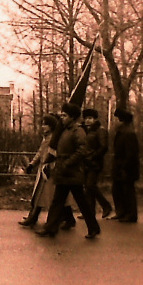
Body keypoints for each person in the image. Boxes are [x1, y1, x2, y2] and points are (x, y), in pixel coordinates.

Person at [35, 102, 101, 239]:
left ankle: (93, 227)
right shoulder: (64, 130)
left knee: (80, 202)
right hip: (64, 171)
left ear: (72, 117)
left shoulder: (78, 131)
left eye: (65, 115)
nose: (62, 117)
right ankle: (50, 227)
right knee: (57, 201)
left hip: (73, 172)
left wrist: (67, 163)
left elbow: (82, 150)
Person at [21, 114, 75, 230]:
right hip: (46, 169)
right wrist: (32, 164)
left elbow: (46, 154)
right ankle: (67, 218)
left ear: (51, 126)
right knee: (49, 196)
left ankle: (36, 218)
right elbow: (41, 152)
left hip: (49, 169)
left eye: (45, 124)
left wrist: (34, 164)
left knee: (47, 195)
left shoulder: (52, 138)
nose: (42, 126)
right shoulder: (48, 137)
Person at [82, 108, 113, 219]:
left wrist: (93, 157)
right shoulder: (86, 130)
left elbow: (103, 146)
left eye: (90, 118)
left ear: (95, 119)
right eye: (86, 118)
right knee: (88, 187)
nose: (87, 121)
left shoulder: (100, 130)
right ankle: (90, 212)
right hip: (85, 162)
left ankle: (106, 206)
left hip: (95, 163)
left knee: (91, 186)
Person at [110, 108, 140, 223]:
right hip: (119, 166)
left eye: (117, 120)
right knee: (117, 190)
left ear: (122, 121)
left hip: (127, 168)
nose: (115, 122)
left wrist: (124, 167)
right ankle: (121, 212)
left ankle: (131, 214)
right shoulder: (121, 132)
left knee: (128, 191)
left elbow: (131, 153)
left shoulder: (128, 134)